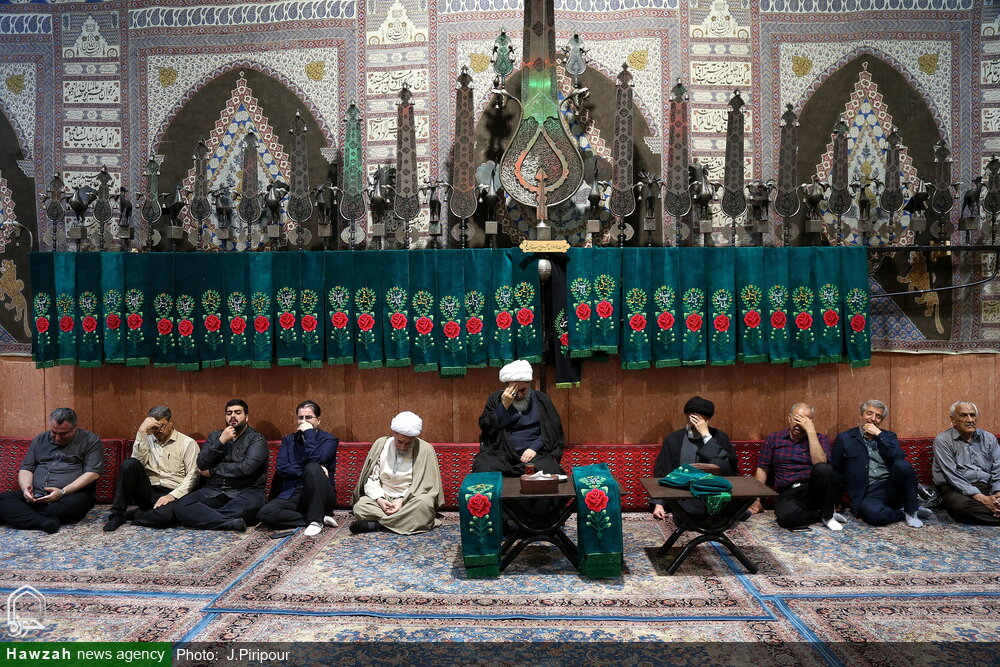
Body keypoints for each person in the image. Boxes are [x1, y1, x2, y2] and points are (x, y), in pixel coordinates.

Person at [0, 408, 103, 533]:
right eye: (54, 432)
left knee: (65, 507)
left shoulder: (90, 440)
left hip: (70, 495)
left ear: (74, 428)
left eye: (63, 434)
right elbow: (26, 468)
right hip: (37, 495)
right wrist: (26, 489)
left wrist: (62, 492)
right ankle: (43, 522)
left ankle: (21, 515)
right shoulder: (40, 439)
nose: (57, 438)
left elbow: (92, 473)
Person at [173, 399, 268, 532]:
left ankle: (205, 517)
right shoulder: (215, 436)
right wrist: (221, 441)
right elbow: (201, 463)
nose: (233, 416)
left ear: (246, 417)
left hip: (246, 491)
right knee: (181, 506)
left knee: (246, 507)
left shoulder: (257, 439)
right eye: (229, 413)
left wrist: (213, 470)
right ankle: (229, 523)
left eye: (238, 412)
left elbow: (246, 468)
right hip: (215, 490)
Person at [832, 400, 930, 528]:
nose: (873, 419)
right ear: (861, 415)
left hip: (891, 486)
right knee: (873, 515)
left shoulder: (888, 436)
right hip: (867, 491)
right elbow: (837, 470)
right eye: (869, 413)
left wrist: (879, 435)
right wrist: (835, 501)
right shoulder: (845, 438)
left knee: (903, 465)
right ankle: (904, 512)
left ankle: (911, 512)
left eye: (878, 416)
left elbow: (899, 457)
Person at [750, 402, 844, 531]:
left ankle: (827, 516)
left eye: (804, 421)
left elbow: (820, 463)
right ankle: (822, 515)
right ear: (789, 418)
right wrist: (756, 499)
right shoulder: (774, 439)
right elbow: (762, 469)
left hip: (813, 489)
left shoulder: (820, 439)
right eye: (797, 419)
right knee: (786, 517)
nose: (799, 424)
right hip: (788, 492)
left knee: (825, 468)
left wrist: (810, 432)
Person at [103, 406, 200, 531]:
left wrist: (172, 496)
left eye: (161, 426)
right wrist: (141, 431)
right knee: (129, 464)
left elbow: (193, 476)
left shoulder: (188, 443)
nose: (158, 430)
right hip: (149, 490)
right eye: (154, 427)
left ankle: (136, 515)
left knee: (164, 516)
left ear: (171, 422)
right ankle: (118, 514)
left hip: (173, 492)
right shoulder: (146, 440)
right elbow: (136, 464)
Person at [350, 411, 443, 535]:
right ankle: (403, 522)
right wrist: (380, 500)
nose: (403, 447)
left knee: (424, 505)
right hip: (383, 496)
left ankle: (378, 525)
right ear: (394, 433)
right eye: (399, 442)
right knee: (361, 506)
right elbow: (372, 479)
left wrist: (401, 501)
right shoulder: (381, 444)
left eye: (408, 443)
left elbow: (427, 486)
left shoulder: (425, 449)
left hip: (410, 499)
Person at [257, 400, 339, 537]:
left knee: (313, 467)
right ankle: (316, 518)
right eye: (301, 417)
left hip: (320, 495)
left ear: (318, 420)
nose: (304, 421)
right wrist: (309, 470)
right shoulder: (289, 440)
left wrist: (309, 433)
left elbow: (317, 458)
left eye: (309, 417)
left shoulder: (329, 440)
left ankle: (316, 520)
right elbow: (282, 468)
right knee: (265, 513)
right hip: (293, 493)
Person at [472, 359, 565, 476]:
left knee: (551, 469)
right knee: (483, 466)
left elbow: (552, 431)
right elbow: (488, 428)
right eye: (514, 391)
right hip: (502, 453)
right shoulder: (496, 399)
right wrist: (504, 405)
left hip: (534, 454)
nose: (519, 395)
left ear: (529, 384)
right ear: (506, 387)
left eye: (523, 390)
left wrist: (534, 448)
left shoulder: (541, 399)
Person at [651, 396, 737, 520]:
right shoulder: (674, 440)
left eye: (699, 419)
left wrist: (706, 436)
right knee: (693, 511)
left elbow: (727, 468)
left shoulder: (719, 438)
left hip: (715, 492)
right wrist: (659, 504)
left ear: (707, 420)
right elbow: (662, 472)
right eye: (691, 418)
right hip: (684, 495)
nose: (695, 424)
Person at [932, 400, 1000, 525]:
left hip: (988, 487)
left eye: (972, 415)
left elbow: (998, 469)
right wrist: (982, 499)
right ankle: (993, 510)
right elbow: (952, 475)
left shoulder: (989, 438)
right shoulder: (942, 440)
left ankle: (994, 508)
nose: (970, 420)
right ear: (953, 420)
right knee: (960, 506)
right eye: (963, 415)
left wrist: (998, 494)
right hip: (956, 488)